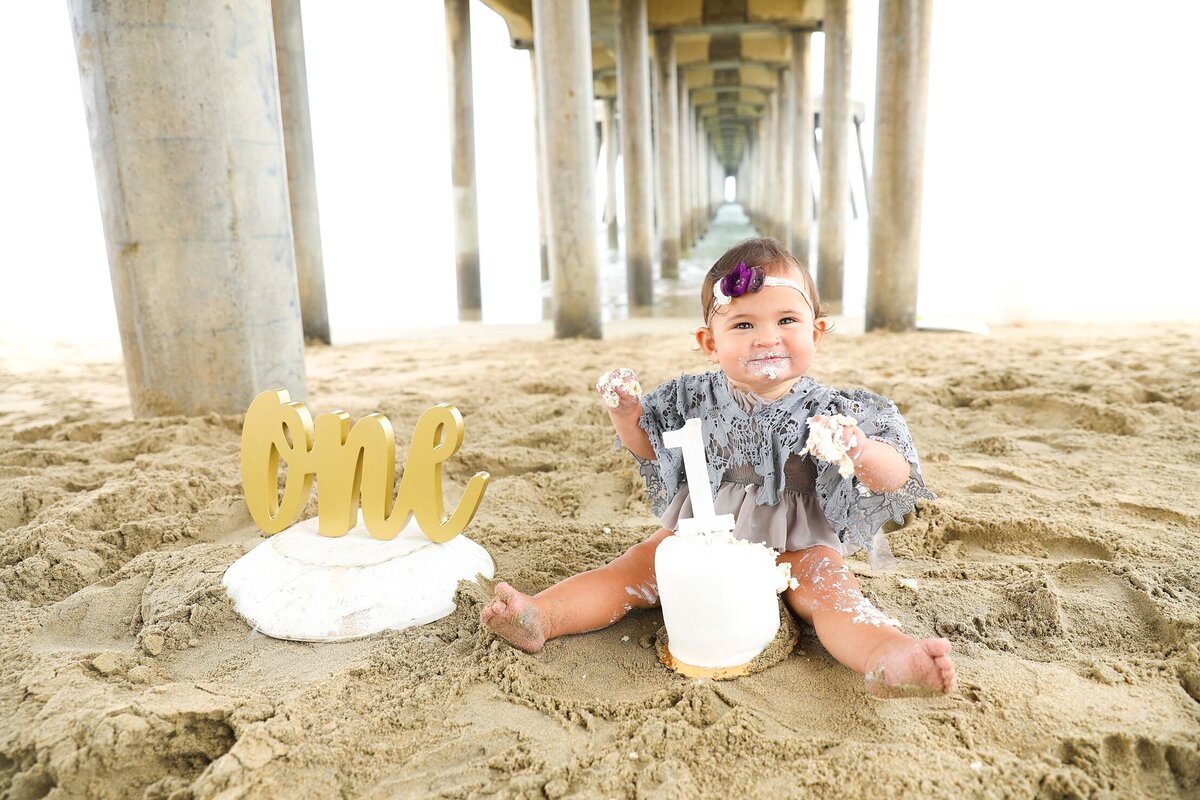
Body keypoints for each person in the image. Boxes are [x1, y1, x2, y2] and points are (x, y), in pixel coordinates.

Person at [481, 237, 956, 698]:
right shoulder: (693, 398)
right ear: (710, 342)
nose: (767, 337)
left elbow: (894, 476)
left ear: (816, 333)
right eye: (744, 325)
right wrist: (626, 415)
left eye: (786, 320)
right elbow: (651, 447)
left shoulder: (835, 407)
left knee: (834, 595)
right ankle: (542, 616)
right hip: (704, 530)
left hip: (799, 542)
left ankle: (887, 657)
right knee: (630, 571)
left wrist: (860, 449)